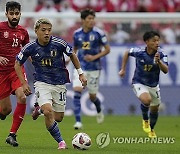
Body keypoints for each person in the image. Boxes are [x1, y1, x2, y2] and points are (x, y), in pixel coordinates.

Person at [14, 18, 87, 149]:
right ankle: (61, 142)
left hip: (59, 83)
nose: (47, 33)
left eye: (49, 30)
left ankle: (39, 107)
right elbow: (17, 64)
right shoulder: (30, 48)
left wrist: (80, 73)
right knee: (48, 112)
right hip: (42, 82)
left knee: (58, 118)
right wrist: (24, 83)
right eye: (43, 30)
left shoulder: (59, 43)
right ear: (36, 31)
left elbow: (73, 55)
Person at [119, 31, 168, 138]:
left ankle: (152, 129)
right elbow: (127, 52)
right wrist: (123, 69)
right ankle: (145, 119)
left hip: (154, 85)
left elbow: (166, 70)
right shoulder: (139, 52)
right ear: (147, 42)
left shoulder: (162, 54)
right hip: (139, 82)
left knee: (155, 109)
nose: (157, 43)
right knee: (146, 100)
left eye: (158, 40)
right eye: (154, 40)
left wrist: (159, 62)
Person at [72, 8, 110, 129]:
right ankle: (78, 121)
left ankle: (99, 109)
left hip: (94, 68)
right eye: (89, 18)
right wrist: (70, 58)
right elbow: (75, 49)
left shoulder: (99, 33)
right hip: (80, 68)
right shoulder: (76, 34)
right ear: (83, 20)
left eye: (93, 18)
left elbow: (107, 49)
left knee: (92, 96)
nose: (92, 21)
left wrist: (94, 57)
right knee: (77, 91)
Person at [0, 1, 29, 147]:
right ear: (6, 14)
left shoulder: (23, 32)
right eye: (11, 13)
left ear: (20, 14)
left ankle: (12, 135)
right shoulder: (0, 28)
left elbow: (27, 50)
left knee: (22, 96)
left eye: (16, 13)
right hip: (1, 73)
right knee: (6, 110)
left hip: (16, 70)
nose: (14, 16)